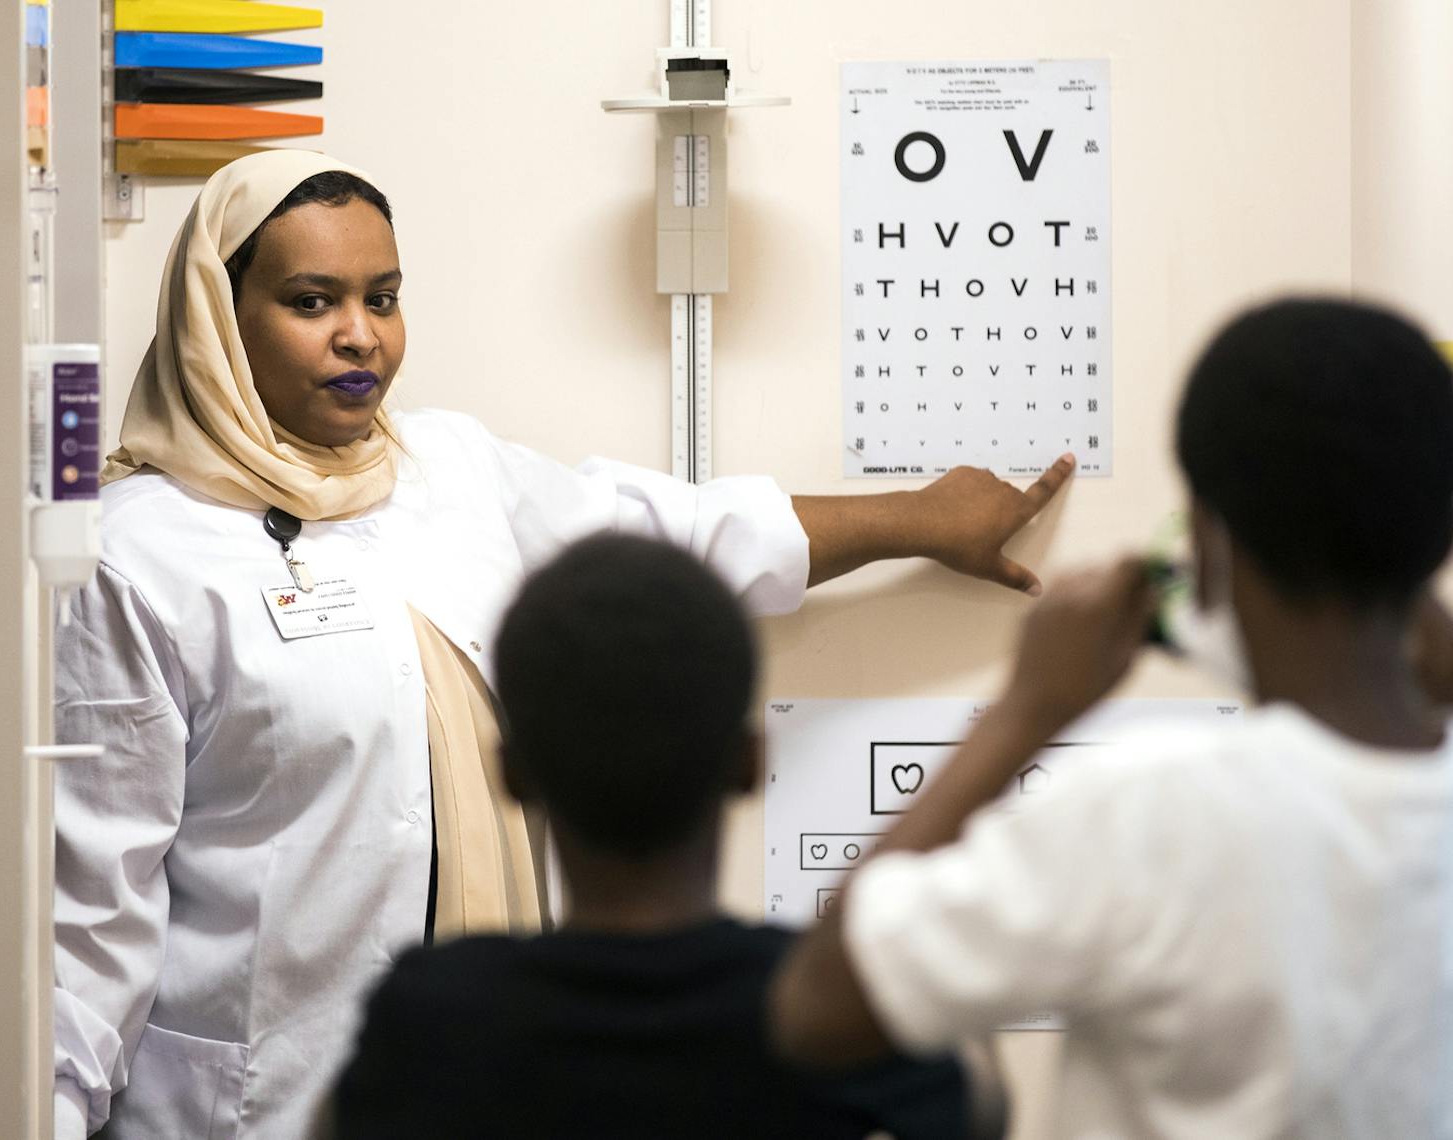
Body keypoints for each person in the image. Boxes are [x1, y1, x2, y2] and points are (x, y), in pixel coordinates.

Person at [52, 149, 1073, 1139]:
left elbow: (675, 538)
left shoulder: (446, 470)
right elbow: (94, 917)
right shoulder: (140, 553)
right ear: (220, 320)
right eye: (312, 301)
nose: (361, 336)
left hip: (490, 1087)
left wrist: (918, 519)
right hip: (247, 1104)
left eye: (385, 295)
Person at [768, 298, 1453, 1139]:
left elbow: (819, 1008)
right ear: (1446, 533)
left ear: (1206, 543)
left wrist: (1025, 712)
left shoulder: (1139, 814)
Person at [328, 534, 988, 1139]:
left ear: (512, 774)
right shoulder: (831, 1016)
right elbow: (983, 1111)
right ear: (751, 764)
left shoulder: (428, 1016)